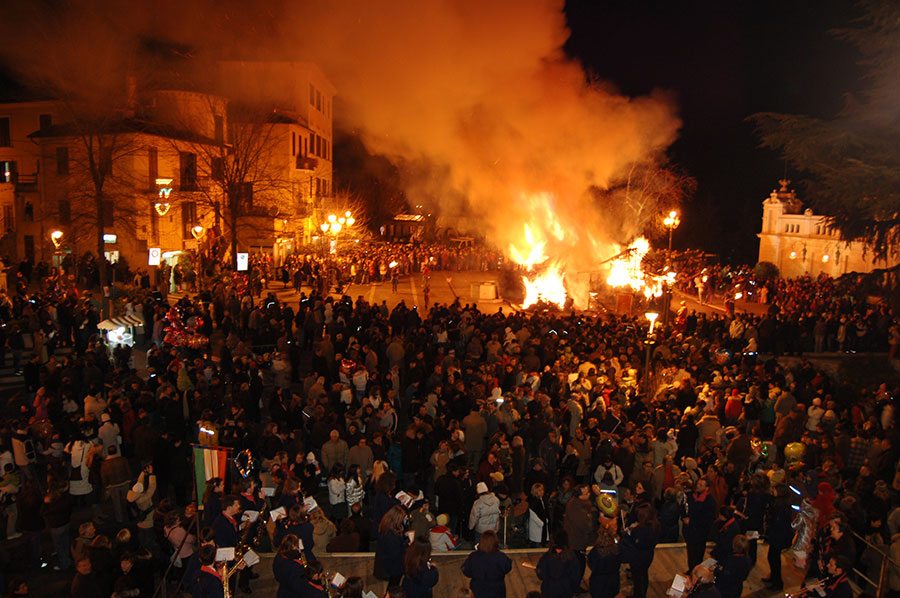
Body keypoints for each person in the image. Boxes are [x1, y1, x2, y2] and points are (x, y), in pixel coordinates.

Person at [620, 503, 659, 598]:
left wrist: (629, 531)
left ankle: (639, 595)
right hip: (648, 554)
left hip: (638, 556)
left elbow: (632, 542)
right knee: (644, 575)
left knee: (637, 577)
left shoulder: (641, 530)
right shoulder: (655, 525)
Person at [461, 529, 512, 598]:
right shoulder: (500, 557)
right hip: (497, 592)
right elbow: (508, 567)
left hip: (477, 592)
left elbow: (466, 571)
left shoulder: (473, 557)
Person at [762, 485, 793, 590]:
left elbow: (779, 524)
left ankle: (777, 582)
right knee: (772, 558)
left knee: (774, 559)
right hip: (776, 536)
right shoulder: (779, 504)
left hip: (778, 537)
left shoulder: (782, 508)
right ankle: (774, 578)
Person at [684, 477, 717, 570]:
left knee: (697, 555)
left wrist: (692, 521)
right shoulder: (690, 496)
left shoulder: (709, 501)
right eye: (698, 484)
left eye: (701, 485)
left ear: (706, 488)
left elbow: (708, 519)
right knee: (690, 554)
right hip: (690, 532)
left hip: (701, 533)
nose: (698, 486)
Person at [535, 530, 581, 598]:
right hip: (565, 590)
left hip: (549, 590)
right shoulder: (571, 557)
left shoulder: (547, 556)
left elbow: (541, 574)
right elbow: (575, 577)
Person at [375, 505, 408, 586]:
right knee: (393, 586)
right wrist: (407, 544)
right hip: (394, 567)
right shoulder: (391, 536)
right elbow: (396, 554)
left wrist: (404, 535)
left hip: (387, 564)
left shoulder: (385, 527)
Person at [586, 525, 622, 598]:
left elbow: (591, 564)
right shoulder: (617, 550)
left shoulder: (595, 552)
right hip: (613, 581)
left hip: (598, 582)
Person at [527, 483, 549, 548]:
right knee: (535, 544)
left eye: (542, 490)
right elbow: (533, 515)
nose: (542, 492)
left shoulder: (542, 499)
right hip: (537, 525)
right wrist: (541, 523)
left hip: (542, 524)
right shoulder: (533, 501)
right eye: (539, 490)